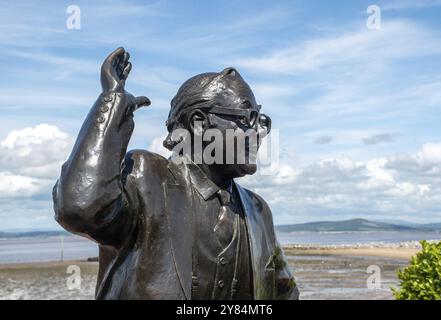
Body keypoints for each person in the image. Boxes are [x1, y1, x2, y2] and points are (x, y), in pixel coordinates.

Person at [53, 47, 299, 300]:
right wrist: (112, 103)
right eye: (248, 118)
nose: (258, 133)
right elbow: (81, 208)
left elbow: (284, 291)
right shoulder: (144, 176)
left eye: (262, 121)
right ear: (199, 123)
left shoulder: (257, 210)